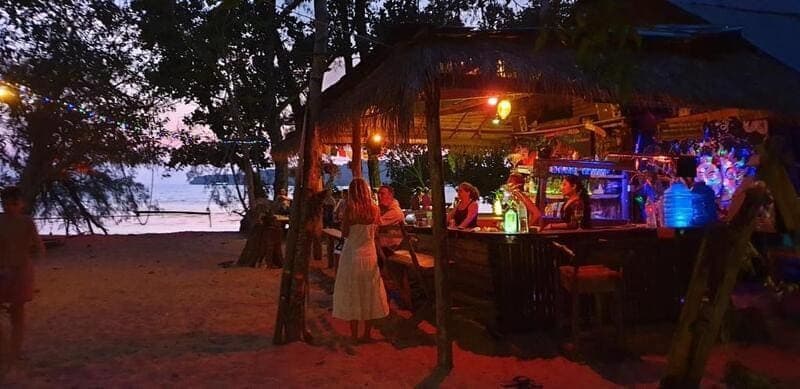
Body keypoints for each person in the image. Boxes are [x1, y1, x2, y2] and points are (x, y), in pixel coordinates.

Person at [332, 178, 389, 343]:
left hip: (352, 254)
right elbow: (376, 232)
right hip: (369, 254)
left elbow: (344, 234)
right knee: (369, 293)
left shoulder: (350, 209)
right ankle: (367, 334)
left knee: (353, 293)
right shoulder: (374, 209)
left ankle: (354, 335)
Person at [0, 186, 44, 361]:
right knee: (15, 313)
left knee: (17, 312)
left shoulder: (27, 222)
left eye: (13, 203)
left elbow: (39, 246)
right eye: (6, 203)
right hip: (4, 271)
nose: (9, 207)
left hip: (20, 271)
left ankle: (14, 351)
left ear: (21, 204)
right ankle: (7, 349)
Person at [377, 185, 404, 255]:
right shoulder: (383, 209)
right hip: (384, 246)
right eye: (378, 194)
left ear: (390, 195)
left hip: (391, 248)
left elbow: (376, 223)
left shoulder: (395, 211)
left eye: (382, 194)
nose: (379, 196)